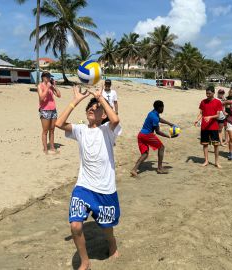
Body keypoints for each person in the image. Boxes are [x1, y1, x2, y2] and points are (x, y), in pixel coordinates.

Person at [55, 85, 121, 270]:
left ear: (104, 115)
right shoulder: (80, 130)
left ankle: (112, 243)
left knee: (107, 227)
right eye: (90, 108)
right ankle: (85, 261)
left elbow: (115, 117)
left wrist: (100, 98)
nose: (93, 109)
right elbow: (59, 123)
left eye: (97, 108)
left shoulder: (108, 129)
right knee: (75, 226)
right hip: (84, 186)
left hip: (105, 188)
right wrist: (75, 101)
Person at [131, 100, 177, 177]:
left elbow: (159, 119)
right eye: (162, 107)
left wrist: (170, 124)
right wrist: (168, 136)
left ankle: (134, 169)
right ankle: (159, 168)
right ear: (159, 108)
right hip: (147, 135)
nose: (163, 109)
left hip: (141, 135)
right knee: (161, 147)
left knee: (145, 154)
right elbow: (158, 131)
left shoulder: (152, 113)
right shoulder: (154, 118)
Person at [194, 85, 223, 168]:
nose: (208, 95)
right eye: (206, 93)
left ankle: (216, 162)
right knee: (205, 144)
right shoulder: (203, 102)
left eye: (209, 93)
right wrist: (197, 119)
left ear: (213, 93)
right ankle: (206, 160)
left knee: (216, 145)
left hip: (213, 126)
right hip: (204, 127)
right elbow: (201, 113)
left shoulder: (218, 102)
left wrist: (210, 117)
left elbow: (217, 115)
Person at [38, 71, 61, 154]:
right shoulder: (40, 86)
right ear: (44, 77)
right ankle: (45, 149)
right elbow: (41, 98)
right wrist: (47, 87)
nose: (49, 79)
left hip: (53, 110)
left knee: (52, 130)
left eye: (50, 77)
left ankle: (52, 147)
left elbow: (59, 95)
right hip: (44, 110)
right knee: (45, 131)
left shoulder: (51, 86)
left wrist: (54, 86)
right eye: (48, 77)